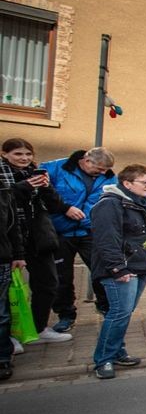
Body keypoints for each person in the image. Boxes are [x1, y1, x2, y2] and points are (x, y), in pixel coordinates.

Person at [0, 139, 72, 344]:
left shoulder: (35, 173)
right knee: (8, 291)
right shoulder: (3, 175)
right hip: (9, 239)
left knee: (48, 284)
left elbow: (55, 205)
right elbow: (5, 202)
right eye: (18, 154)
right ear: (4, 154)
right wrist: (21, 187)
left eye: (28, 154)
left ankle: (38, 328)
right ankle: (9, 336)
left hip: (37, 237)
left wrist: (46, 187)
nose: (24, 158)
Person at [91, 165, 146, 380]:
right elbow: (107, 239)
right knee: (118, 313)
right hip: (121, 269)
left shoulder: (139, 204)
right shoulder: (110, 204)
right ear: (127, 184)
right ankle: (104, 359)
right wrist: (118, 267)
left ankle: (117, 351)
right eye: (143, 182)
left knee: (125, 312)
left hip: (139, 266)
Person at [42, 146, 116, 332]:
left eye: (105, 170)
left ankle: (105, 304)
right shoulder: (56, 169)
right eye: (99, 169)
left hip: (90, 230)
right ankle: (66, 314)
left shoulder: (108, 177)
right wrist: (64, 208)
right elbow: (44, 193)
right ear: (86, 160)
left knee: (102, 269)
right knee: (62, 276)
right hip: (61, 230)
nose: (102, 173)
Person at [0, 168, 28, 380]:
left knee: (2, 312)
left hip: (3, 257)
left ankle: (3, 358)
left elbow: (12, 225)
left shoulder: (4, 191)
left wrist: (17, 253)